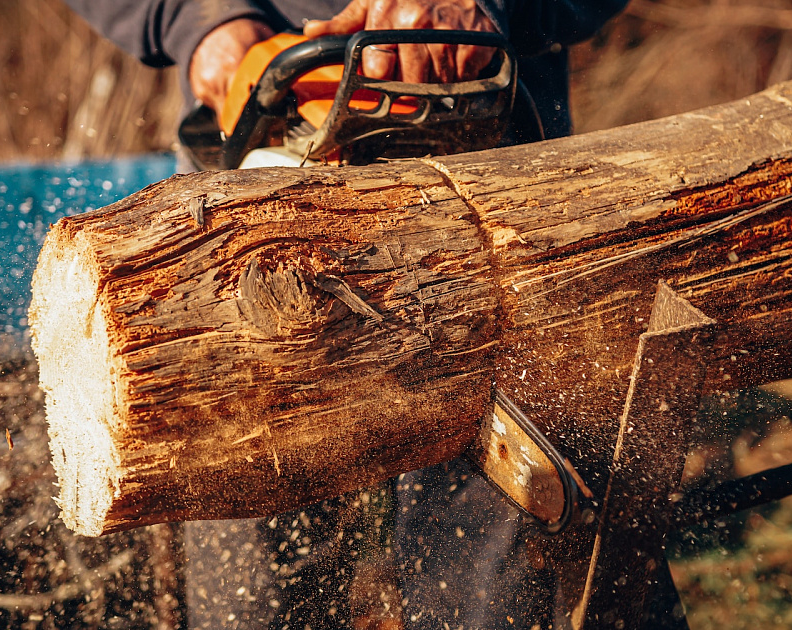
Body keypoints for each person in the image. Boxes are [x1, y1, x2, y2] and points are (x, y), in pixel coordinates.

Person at [63, 2, 627, 628]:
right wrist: (198, 20)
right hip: (253, 187)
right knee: (253, 580)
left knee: (514, 568)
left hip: (492, 187)